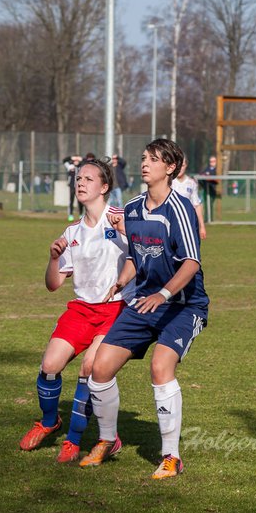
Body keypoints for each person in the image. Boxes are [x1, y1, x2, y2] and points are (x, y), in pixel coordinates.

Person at [81, 138, 207, 480]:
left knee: (160, 366)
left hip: (183, 305)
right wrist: (122, 281)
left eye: (153, 159)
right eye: (143, 157)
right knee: (100, 367)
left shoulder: (179, 209)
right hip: (146, 301)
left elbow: (192, 263)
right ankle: (108, 440)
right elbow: (139, 257)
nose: (145, 163)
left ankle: (171, 456)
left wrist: (164, 294)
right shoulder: (134, 208)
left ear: (171, 168)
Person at [18, 157, 127, 463]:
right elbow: (53, 285)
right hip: (81, 310)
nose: (81, 182)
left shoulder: (119, 218)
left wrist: (128, 232)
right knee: (50, 365)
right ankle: (50, 420)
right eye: (79, 178)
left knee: (89, 368)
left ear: (104, 187)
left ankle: (74, 440)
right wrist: (53, 258)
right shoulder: (71, 232)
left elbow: (144, 251)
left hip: (115, 310)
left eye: (89, 179)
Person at [171, 156, 207, 240]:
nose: (180, 168)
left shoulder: (192, 183)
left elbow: (197, 205)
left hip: (187, 224)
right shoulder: (168, 181)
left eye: (182, 165)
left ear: (186, 165)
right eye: (177, 165)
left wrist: (202, 226)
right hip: (171, 223)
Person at [199, 155, 222, 220]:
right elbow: (201, 174)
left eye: (213, 161)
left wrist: (209, 177)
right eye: (211, 161)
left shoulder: (217, 169)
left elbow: (217, 180)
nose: (212, 163)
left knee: (210, 204)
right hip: (206, 189)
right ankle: (207, 219)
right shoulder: (207, 168)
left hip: (212, 189)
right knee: (206, 204)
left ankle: (210, 219)